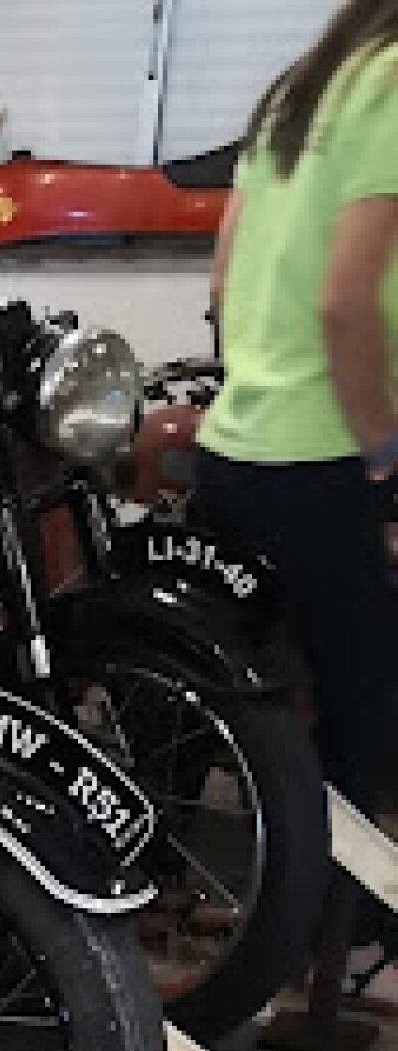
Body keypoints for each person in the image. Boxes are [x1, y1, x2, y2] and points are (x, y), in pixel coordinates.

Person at [196, 0, 398, 993]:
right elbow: (345, 300)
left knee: (247, 701)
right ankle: (341, 945)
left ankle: (253, 916)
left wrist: (259, 384)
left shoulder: (301, 87)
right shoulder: (393, 83)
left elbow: (225, 279)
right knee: (364, 702)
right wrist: (383, 449)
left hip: (235, 447)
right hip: (324, 458)